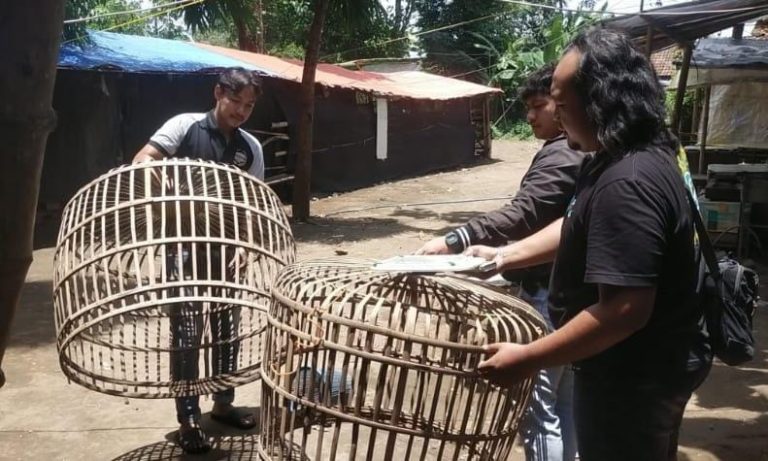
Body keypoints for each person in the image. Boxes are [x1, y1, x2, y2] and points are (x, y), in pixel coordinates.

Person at [466, 28, 711, 461]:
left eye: (562, 105)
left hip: (633, 374)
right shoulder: (623, 155)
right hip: (632, 364)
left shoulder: (629, 182)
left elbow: (623, 310)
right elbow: (578, 221)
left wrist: (527, 357)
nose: (556, 118)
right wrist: (505, 254)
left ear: (599, 102)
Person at [417, 63, 584, 461]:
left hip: (550, 294)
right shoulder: (575, 151)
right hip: (570, 292)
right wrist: (501, 255)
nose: (530, 115)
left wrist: (457, 238)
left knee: (538, 408)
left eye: (541, 105)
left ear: (564, 106)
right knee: (564, 403)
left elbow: (524, 212)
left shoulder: (564, 154)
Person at [133, 67, 264, 454]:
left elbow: (251, 203)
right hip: (185, 248)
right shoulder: (184, 126)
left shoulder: (249, 147)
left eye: (249, 106)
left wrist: (246, 244)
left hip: (226, 250)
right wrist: (165, 182)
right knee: (187, 336)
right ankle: (189, 418)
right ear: (218, 93)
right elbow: (143, 160)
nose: (242, 111)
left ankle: (223, 405)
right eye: (236, 101)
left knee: (227, 331)